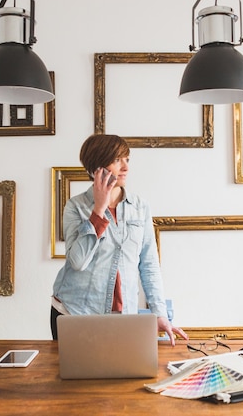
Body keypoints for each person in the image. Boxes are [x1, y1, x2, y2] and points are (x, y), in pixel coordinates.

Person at [51, 133, 188, 346]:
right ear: (97, 166)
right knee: (77, 377)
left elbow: (149, 264)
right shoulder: (76, 207)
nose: (125, 167)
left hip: (124, 316)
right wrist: (98, 210)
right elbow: (77, 262)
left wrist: (159, 313)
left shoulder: (140, 207)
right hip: (75, 313)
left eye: (127, 159)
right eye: (117, 160)